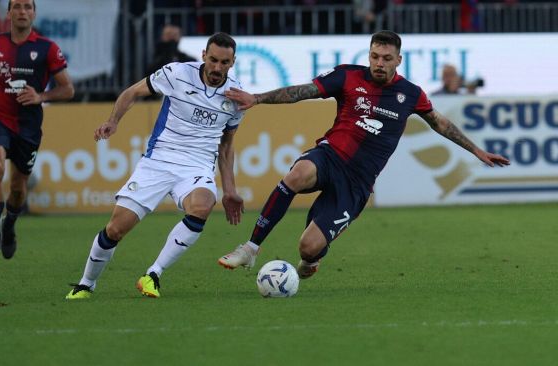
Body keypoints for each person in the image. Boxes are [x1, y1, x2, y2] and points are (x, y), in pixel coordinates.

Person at [218, 30, 509, 279]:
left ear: (398, 60)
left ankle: (313, 257)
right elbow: (302, 92)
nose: (379, 64)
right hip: (330, 156)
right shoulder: (347, 76)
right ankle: (250, 248)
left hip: (356, 184)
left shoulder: (410, 94)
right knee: (297, 174)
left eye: (386, 58)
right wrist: (257, 98)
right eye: (374, 57)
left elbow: (440, 123)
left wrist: (476, 150)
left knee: (308, 248)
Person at [66, 32, 245, 300]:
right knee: (116, 229)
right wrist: (113, 121)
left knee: (203, 205)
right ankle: (86, 284)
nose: (217, 68)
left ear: (232, 63)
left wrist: (230, 189)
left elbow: (227, 145)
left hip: (196, 167)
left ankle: (153, 274)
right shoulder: (176, 73)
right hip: (159, 160)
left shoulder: (236, 96)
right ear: (204, 56)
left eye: (225, 63)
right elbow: (133, 91)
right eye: (214, 60)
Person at [0, 0, 74, 259]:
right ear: (8, 13)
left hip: (28, 127)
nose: (22, 12)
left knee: (18, 187)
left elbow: (68, 89)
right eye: (17, 7)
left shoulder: (47, 48)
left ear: (34, 13)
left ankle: (9, 226)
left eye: (27, 7)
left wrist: (41, 96)